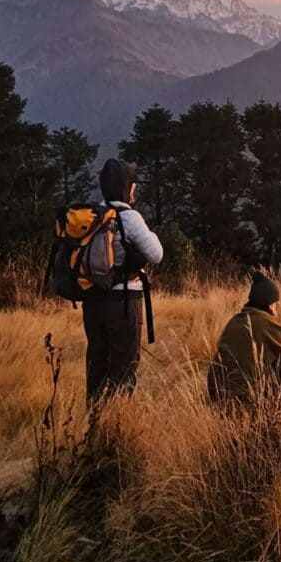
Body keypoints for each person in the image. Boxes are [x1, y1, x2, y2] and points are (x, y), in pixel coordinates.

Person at [83, 157, 163, 400]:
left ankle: (93, 424)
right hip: (124, 303)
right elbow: (156, 254)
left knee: (97, 365)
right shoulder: (130, 218)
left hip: (92, 301)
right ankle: (117, 429)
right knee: (124, 367)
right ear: (127, 188)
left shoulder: (91, 215)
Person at [207, 271, 281, 404]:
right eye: (276, 304)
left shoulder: (233, 322)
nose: (276, 310)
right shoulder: (267, 324)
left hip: (220, 397)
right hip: (248, 400)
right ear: (270, 305)